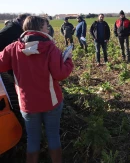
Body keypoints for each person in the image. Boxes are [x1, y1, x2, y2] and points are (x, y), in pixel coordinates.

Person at [0, 16, 74, 163]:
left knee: (32, 139)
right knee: (53, 136)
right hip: (51, 102)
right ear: (39, 28)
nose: (48, 28)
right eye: (46, 26)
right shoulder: (50, 48)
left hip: (27, 104)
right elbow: (60, 74)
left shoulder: (13, 48)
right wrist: (68, 60)